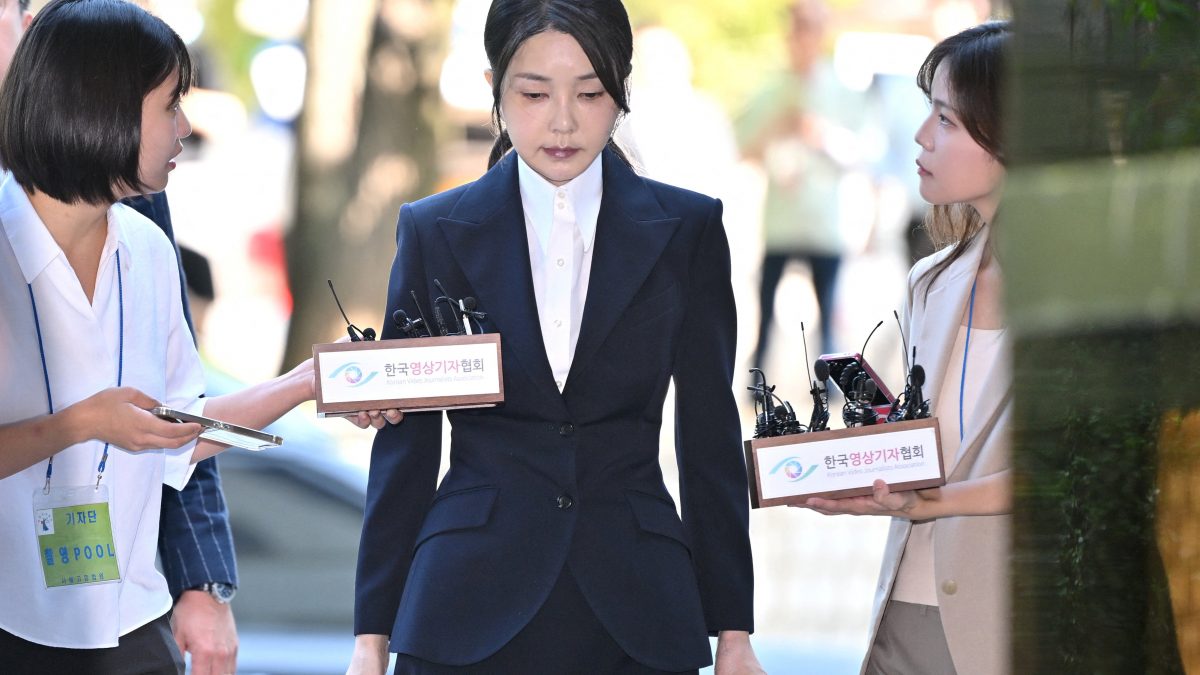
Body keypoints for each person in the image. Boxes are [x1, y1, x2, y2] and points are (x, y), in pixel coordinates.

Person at [347, 1, 762, 673]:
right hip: (462, 609)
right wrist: (370, 636)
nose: (563, 120)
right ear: (495, 88)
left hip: (640, 610)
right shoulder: (434, 230)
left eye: (591, 93)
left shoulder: (687, 229)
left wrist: (734, 629)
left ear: (623, 89)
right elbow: (407, 443)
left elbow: (709, 433)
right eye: (534, 92)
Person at [0, 1, 313, 672]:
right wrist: (83, 423)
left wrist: (308, 382)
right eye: (170, 104)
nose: (185, 127)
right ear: (104, 106)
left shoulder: (146, 245)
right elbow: (116, 422)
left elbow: (178, 429)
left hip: (131, 629)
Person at [800, 21, 1013, 675]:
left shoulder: (1089, 294)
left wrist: (931, 500)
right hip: (907, 617)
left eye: (945, 119)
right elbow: (926, 446)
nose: (920, 136)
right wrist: (862, 474)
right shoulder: (932, 280)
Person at [737, 0, 864, 365]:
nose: (803, 36)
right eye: (798, 27)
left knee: (828, 314)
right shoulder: (770, 87)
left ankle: (835, 393)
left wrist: (821, 135)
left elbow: (862, 153)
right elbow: (745, 148)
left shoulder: (842, 88)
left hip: (824, 223)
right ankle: (757, 383)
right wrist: (775, 128)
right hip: (780, 221)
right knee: (764, 313)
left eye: (811, 26)